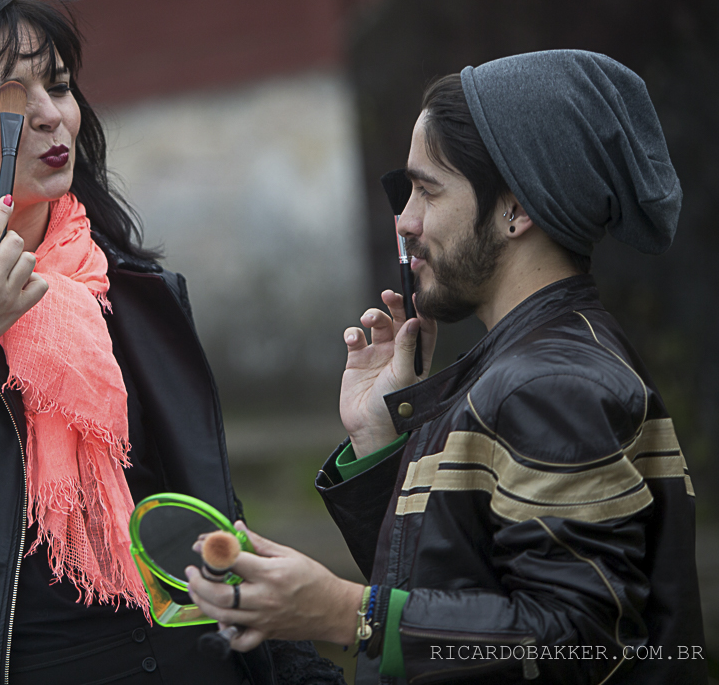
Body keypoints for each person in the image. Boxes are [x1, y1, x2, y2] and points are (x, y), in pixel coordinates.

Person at [0, 0, 340, 685]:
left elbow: (211, 522)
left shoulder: (135, 290)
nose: (51, 117)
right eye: (9, 100)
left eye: (60, 85)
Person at [185, 50, 706, 683]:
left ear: (518, 209)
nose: (404, 220)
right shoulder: (520, 365)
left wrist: (346, 614)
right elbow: (465, 581)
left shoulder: (550, 385)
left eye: (427, 189)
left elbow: (575, 641)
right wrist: (381, 443)